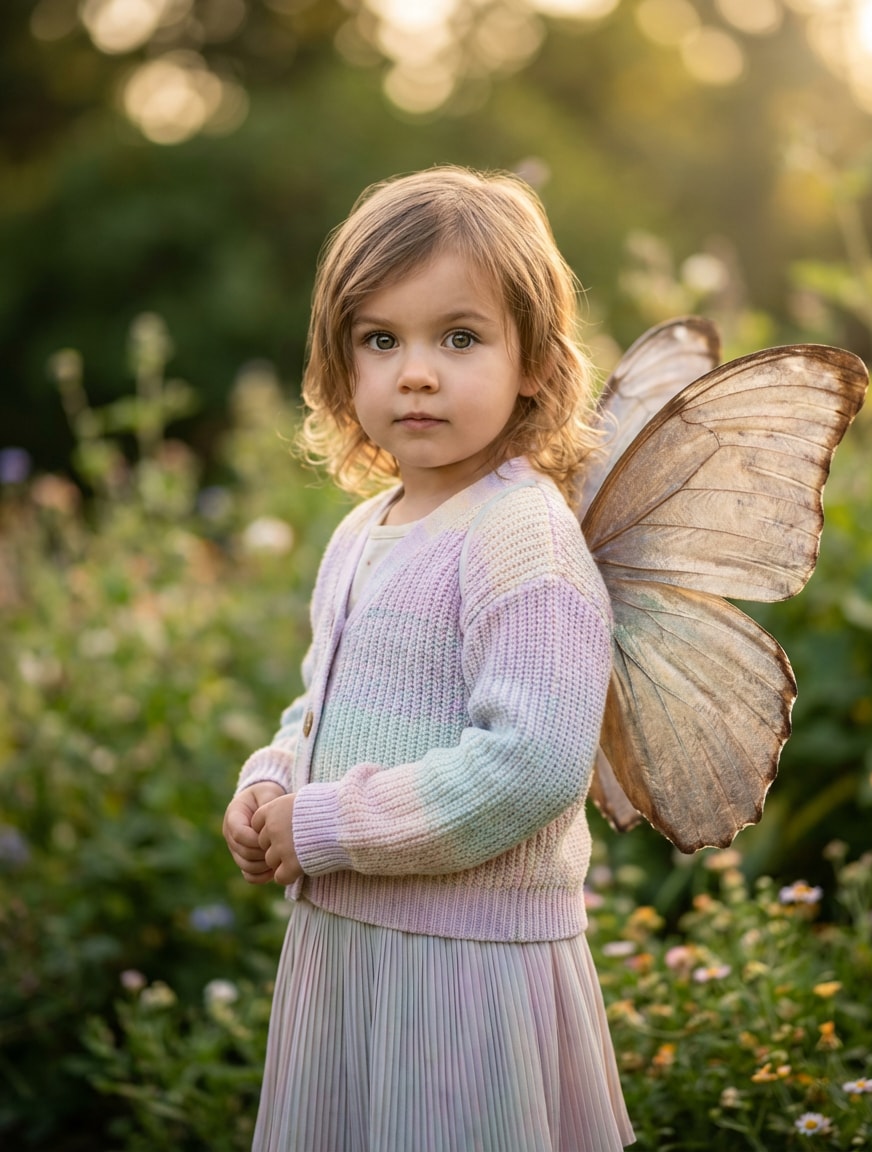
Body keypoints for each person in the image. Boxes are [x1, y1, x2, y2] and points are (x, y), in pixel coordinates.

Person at [222, 165, 635, 1151]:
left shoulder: (519, 537)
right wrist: (273, 776)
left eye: (460, 337)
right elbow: (319, 703)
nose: (417, 372)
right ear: (341, 368)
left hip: (460, 972)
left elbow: (529, 764)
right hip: (348, 954)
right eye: (381, 339)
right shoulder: (365, 531)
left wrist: (321, 822)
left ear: (533, 359)